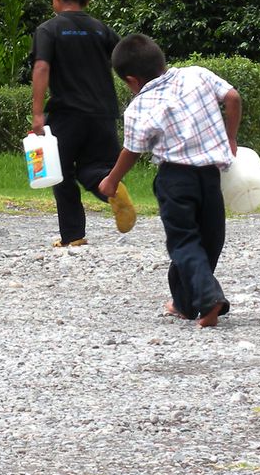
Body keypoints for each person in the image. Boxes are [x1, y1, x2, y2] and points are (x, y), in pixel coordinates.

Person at [98, 34, 241, 328]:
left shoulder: (139, 107)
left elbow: (132, 150)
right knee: (210, 239)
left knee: (184, 243)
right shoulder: (197, 74)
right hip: (210, 176)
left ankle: (208, 297)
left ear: (131, 80)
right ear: (161, 59)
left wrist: (111, 180)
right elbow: (233, 98)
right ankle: (186, 303)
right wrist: (230, 137)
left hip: (175, 179)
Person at [31, 0, 136, 247]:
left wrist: (38, 112)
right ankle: (112, 192)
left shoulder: (48, 30)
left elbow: (42, 66)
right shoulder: (101, 29)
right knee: (96, 167)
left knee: (60, 172)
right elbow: (125, 62)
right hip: (103, 113)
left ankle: (73, 235)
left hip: (66, 115)